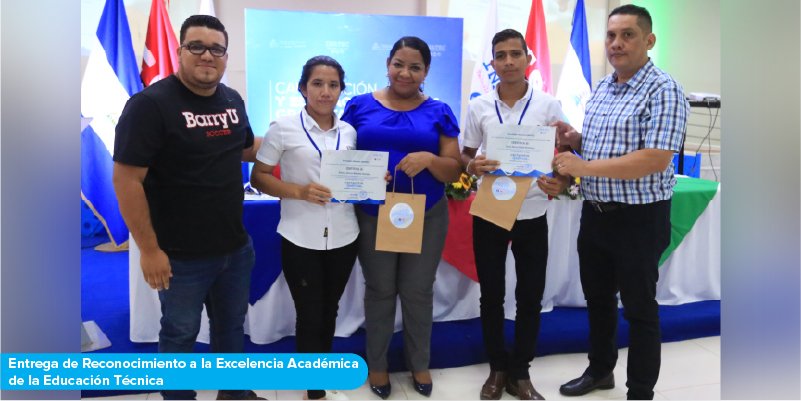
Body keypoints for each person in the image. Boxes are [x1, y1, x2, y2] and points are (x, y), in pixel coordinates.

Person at [113, 15, 264, 401]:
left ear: (226, 56)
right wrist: (149, 249)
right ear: (180, 51)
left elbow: (244, 147)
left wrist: (298, 138)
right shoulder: (149, 105)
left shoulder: (232, 99)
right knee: (179, 335)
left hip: (234, 247)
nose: (207, 55)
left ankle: (234, 394)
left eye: (217, 48)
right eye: (196, 46)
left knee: (231, 329)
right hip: (179, 256)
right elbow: (127, 180)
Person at [551, 5, 689, 400]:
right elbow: (605, 146)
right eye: (611, 36)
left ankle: (640, 391)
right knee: (597, 301)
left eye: (627, 35)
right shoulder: (602, 86)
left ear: (649, 40)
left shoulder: (664, 89)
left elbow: (655, 158)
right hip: (596, 215)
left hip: (639, 220)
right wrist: (575, 138)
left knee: (640, 309)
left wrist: (584, 165)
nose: (616, 43)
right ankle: (600, 370)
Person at [341, 36, 462, 399]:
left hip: (426, 215)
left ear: (426, 71)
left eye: (415, 67)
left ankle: (418, 363)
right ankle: (377, 365)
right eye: (399, 64)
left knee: (418, 291)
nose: (405, 73)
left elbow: (453, 169)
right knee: (379, 290)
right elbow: (342, 156)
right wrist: (362, 175)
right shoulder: (359, 105)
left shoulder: (439, 110)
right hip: (373, 213)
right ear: (387, 65)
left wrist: (428, 159)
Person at [461, 29, 568, 401]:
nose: (508, 62)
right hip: (490, 210)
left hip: (533, 210)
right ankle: (497, 369)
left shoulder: (549, 105)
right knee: (490, 294)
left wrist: (561, 180)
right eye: (500, 55)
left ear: (527, 59)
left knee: (530, 295)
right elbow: (465, 154)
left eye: (515, 54)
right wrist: (473, 165)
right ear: (492, 62)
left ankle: (521, 372)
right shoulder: (478, 106)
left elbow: (564, 156)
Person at [249, 55, 357, 401]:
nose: (326, 92)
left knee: (331, 308)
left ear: (341, 90)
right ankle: (313, 384)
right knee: (309, 311)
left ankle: (321, 369)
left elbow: (351, 179)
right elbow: (259, 176)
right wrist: (299, 191)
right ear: (302, 88)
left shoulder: (350, 131)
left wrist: (368, 181)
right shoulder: (283, 128)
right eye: (317, 83)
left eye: (333, 85)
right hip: (300, 235)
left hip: (344, 235)